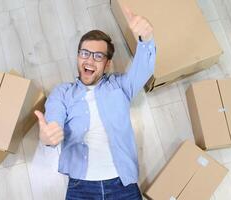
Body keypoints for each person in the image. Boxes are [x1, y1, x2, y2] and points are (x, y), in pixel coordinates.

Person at [34, 6, 156, 200]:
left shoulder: (120, 86)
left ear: (107, 64)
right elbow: (53, 121)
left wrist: (147, 39)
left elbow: (144, 68)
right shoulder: (62, 93)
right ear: (78, 57)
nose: (89, 60)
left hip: (123, 184)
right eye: (84, 53)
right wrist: (48, 135)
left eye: (98, 56)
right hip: (81, 187)